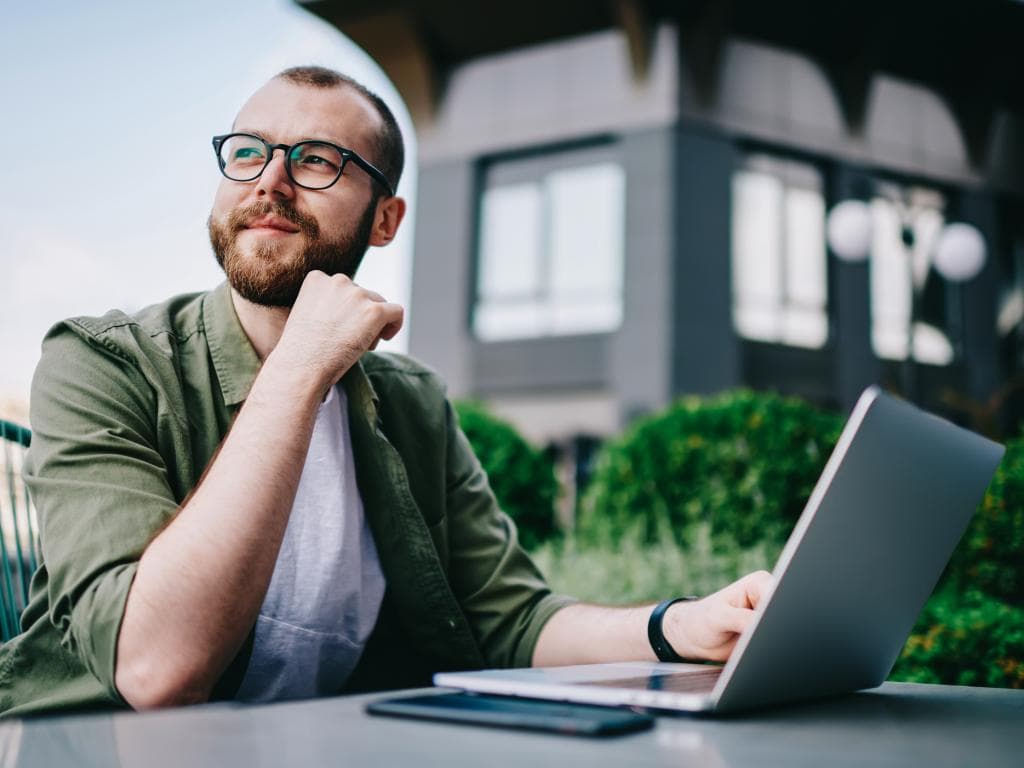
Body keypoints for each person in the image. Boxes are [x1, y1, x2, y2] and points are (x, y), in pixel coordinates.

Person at [0, 66, 770, 717]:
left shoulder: (412, 404)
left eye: (316, 160)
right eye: (248, 152)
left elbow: (511, 619)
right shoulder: (103, 363)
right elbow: (155, 670)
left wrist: (680, 627)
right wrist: (299, 366)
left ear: (386, 220)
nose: (269, 182)